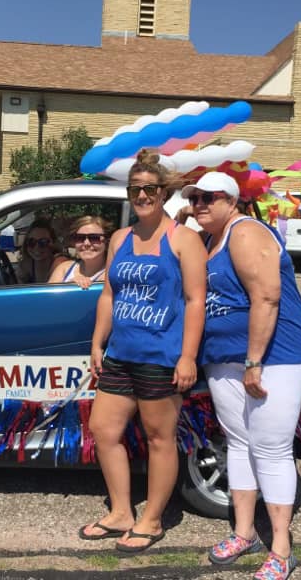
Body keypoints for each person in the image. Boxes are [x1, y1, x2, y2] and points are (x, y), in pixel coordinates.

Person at [183, 172, 301, 579]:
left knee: (270, 448)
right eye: (194, 198)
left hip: (274, 357)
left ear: (232, 200)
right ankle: (245, 533)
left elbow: (267, 296)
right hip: (224, 358)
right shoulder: (209, 240)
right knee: (239, 443)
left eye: (209, 197)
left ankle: (281, 548)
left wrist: (254, 361)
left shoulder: (244, 232)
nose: (199, 204)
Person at [79, 149, 206, 552]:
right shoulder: (120, 238)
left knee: (159, 438)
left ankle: (151, 520)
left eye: (150, 189)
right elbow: (109, 294)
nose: (142, 196)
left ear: (163, 192)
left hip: (161, 356)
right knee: (103, 430)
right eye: (135, 189)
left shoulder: (184, 239)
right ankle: (121, 512)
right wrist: (97, 342)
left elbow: (196, 301)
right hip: (120, 354)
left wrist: (188, 356)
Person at [48, 215, 113, 288]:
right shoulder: (64, 269)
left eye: (94, 238)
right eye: (80, 238)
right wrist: (69, 286)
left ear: (107, 241)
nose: (86, 243)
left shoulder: (113, 274)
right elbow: (48, 295)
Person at [14, 218, 69, 283]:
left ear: (53, 242)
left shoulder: (61, 263)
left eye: (43, 242)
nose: (36, 247)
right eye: (31, 242)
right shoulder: (26, 264)